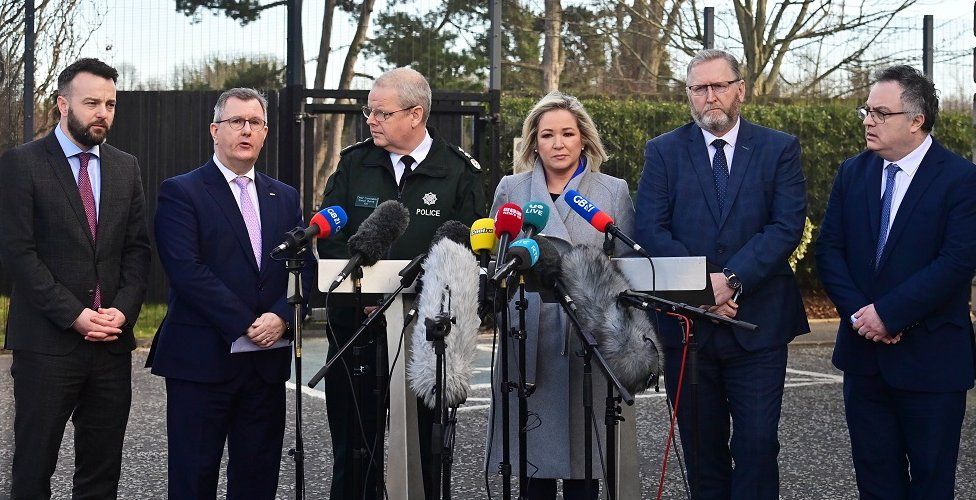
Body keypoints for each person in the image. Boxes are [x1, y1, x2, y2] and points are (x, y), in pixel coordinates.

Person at [634, 49, 808, 499]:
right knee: (701, 450)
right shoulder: (663, 152)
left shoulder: (779, 149)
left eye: (719, 86)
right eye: (699, 88)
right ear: (689, 95)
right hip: (688, 331)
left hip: (758, 326)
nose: (710, 96)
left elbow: (785, 226)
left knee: (756, 446)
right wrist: (702, 289)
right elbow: (651, 229)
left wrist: (729, 280)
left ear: (740, 90)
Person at [317, 66, 485, 499]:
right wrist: (364, 293)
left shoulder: (459, 172)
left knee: (428, 455)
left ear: (415, 115)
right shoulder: (356, 163)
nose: (370, 119)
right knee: (355, 452)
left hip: (427, 337)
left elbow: (468, 254)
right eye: (369, 112)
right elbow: (332, 235)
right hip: (357, 327)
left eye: (380, 112)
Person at [816, 65, 976, 499]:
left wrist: (889, 314)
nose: (868, 120)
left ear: (916, 120)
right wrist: (861, 316)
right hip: (864, 360)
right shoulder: (853, 172)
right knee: (875, 481)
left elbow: (958, 262)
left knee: (931, 482)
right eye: (866, 110)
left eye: (880, 113)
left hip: (932, 361)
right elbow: (829, 251)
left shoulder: (961, 179)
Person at [0, 58, 151, 499]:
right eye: (92, 103)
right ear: (62, 105)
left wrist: (121, 312)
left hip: (110, 345)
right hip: (47, 343)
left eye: (110, 104)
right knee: (33, 466)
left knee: (101, 472)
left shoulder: (126, 167)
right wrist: (75, 315)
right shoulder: (21, 164)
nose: (102, 112)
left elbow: (137, 250)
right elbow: (18, 254)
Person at [148, 88, 310, 499]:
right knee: (193, 480)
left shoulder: (284, 196)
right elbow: (187, 271)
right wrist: (245, 324)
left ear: (266, 132)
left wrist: (280, 316)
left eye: (255, 123)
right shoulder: (182, 192)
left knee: (257, 481)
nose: (246, 130)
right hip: (201, 362)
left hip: (265, 367)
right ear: (214, 130)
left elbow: (303, 264)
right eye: (236, 121)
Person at [484, 91, 635, 500]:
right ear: (534, 141)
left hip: (585, 340)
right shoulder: (511, 188)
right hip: (528, 335)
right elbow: (495, 259)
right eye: (548, 134)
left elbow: (626, 271)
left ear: (583, 138)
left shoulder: (612, 190)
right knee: (533, 466)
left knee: (584, 463)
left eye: (568, 133)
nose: (558, 143)